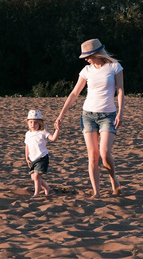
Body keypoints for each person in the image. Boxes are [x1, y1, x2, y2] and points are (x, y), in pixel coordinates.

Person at [54, 38, 124, 198]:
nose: (85, 59)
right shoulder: (86, 70)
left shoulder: (114, 67)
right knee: (93, 154)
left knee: (105, 152)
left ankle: (113, 179)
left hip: (108, 115)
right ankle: (97, 192)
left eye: (88, 55)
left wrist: (121, 112)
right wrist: (61, 114)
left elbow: (120, 90)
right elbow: (74, 93)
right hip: (88, 115)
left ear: (96, 53)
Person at [24, 109, 60, 198]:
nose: (33, 124)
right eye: (31, 122)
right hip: (32, 158)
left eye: (35, 122)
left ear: (40, 123)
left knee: (36, 176)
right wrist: (27, 157)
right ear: (28, 123)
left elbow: (53, 138)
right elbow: (27, 145)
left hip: (42, 157)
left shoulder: (43, 132)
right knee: (33, 177)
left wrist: (57, 130)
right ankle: (47, 188)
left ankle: (36, 193)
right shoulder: (28, 134)